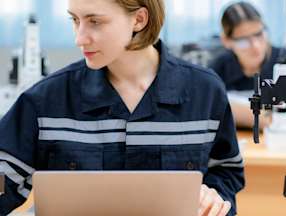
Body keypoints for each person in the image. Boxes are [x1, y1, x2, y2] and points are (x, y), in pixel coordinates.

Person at [0, 0, 244, 215]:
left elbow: (226, 172)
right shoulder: (44, 100)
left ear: (138, 19)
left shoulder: (206, 92)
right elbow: (4, 180)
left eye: (95, 21)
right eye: (75, 20)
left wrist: (214, 197)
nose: (79, 38)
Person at [209, 1, 286, 129]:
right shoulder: (217, 70)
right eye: (243, 41)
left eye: (259, 34)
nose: (255, 46)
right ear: (226, 41)